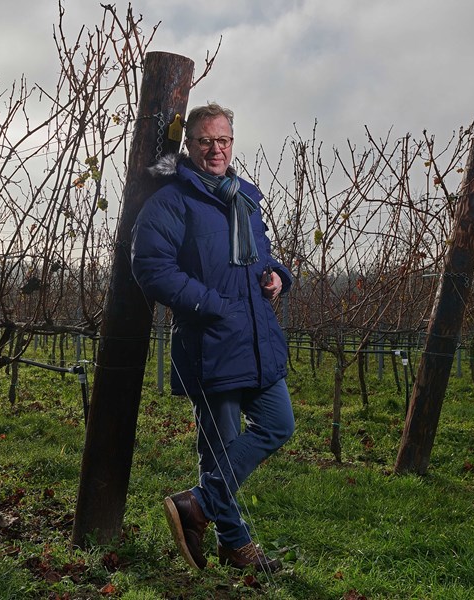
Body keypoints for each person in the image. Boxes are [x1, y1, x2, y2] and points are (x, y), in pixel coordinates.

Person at [131, 102, 294, 573]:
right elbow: (152, 269)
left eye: (223, 140)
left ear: (231, 143)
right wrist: (214, 307)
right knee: (219, 446)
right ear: (191, 145)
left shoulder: (244, 197)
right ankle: (236, 545)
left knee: (279, 424)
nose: (216, 149)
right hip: (212, 341)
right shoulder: (170, 202)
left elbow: (261, 256)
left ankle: (198, 504)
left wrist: (278, 276)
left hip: (257, 337)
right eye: (205, 141)